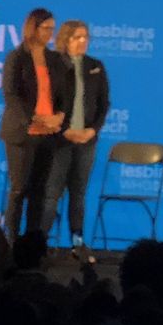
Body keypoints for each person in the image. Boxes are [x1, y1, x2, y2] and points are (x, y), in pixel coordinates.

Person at [0, 7, 64, 243]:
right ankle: (11, 242)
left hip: (48, 135)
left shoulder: (55, 59)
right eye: (46, 28)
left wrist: (59, 116)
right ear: (33, 28)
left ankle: (32, 244)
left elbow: (63, 94)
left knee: (40, 193)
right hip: (22, 133)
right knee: (19, 190)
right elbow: (11, 94)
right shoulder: (17, 57)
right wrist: (34, 119)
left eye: (52, 29)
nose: (51, 33)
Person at [48, 19, 111, 262]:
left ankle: (78, 243)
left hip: (86, 140)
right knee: (51, 193)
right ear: (65, 39)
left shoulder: (96, 66)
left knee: (78, 193)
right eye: (77, 37)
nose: (83, 41)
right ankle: (41, 243)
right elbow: (48, 103)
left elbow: (104, 104)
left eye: (86, 36)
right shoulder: (54, 65)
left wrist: (92, 130)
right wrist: (63, 130)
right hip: (59, 140)